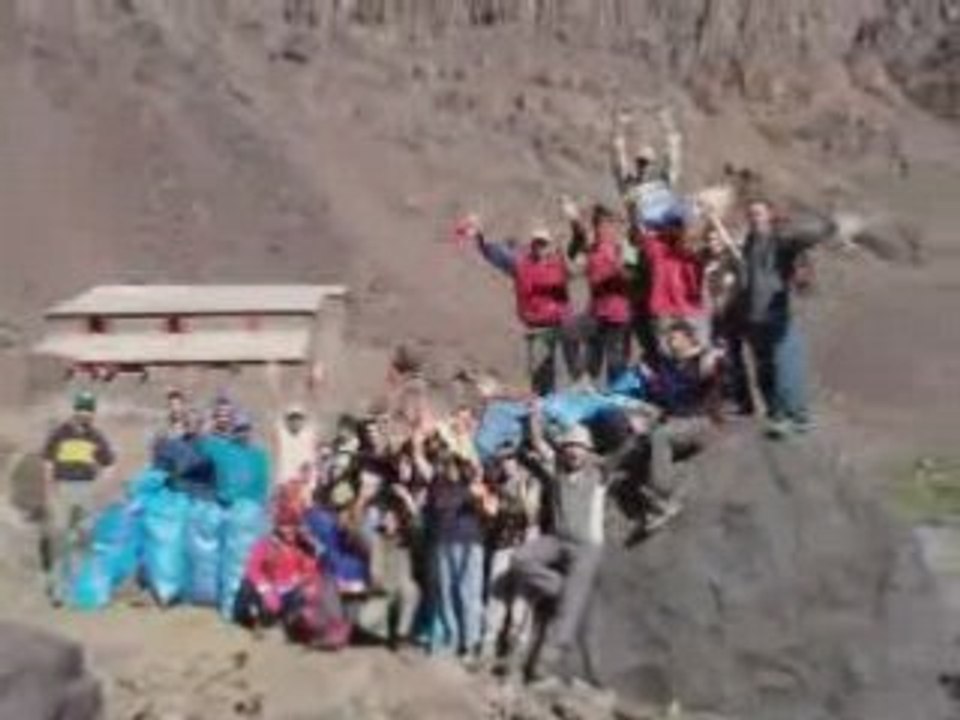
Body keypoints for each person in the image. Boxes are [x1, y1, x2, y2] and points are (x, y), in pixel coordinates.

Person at [510, 412, 609, 682]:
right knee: (520, 559)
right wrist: (535, 418)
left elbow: (626, 455)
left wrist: (638, 436)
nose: (574, 452)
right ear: (563, 450)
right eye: (569, 447)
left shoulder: (599, 474)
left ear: (588, 452)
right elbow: (540, 443)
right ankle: (562, 589)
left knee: (566, 616)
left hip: (587, 547)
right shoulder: (557, 472)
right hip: (557, 541)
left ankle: (544, 665)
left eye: (579, 447)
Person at [739, 199, 834, 435]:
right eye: (751, 214)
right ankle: (777, 414)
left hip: (778, 315)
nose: (754, 218)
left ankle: (798, 416)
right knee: (764, 369)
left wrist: (824, 229)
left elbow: (801, 241)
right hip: (754, 317)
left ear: (770, 215)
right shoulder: (750, 242)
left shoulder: (780, 241)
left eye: (759, 213)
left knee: (786, 367)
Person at [467, 216, 580, 395]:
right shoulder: (521, 265)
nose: (540, 247)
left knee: (568, 371)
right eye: (537, 243)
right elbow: (496, 254)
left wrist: (575, 222)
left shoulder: (559, 263)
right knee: (541, 375)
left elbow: (578, 244)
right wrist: (479, 237)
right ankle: (544, 408)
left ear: (549, 245)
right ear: (532, 245)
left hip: (562, 323)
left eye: (544, 243)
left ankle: (571, 403)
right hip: (538, 327)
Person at [235, 497, 349, 649]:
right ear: (277, 527)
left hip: (293, 592)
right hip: (272, 591)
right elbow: (252, 569)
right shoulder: (265, 544)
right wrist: (266, 588)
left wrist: (306, 577)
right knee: (250, 589)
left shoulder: (303, 545)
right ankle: (260, 620)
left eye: (292, 526)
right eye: (284, 526)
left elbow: (316, 564)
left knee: (319, 592)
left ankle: (317, 626)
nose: (289, 531)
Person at [644, 321, 723, 528]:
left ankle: (662, 493)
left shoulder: (702, 360)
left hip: (701, 421)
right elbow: (666, 397)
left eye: (675, 338)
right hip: (677, 422)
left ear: (689, 338)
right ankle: (665, 502)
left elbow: (716, 371)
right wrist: (650, 380)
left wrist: (714, 358)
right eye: (669, 339)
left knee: (660, 436)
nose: (670, 342)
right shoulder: (669, 366)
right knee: (643, 441)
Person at [40, 391, 116, 606]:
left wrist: (100, 486)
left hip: (86, 489)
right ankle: (58, 590)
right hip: (62, 488)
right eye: (81, 408)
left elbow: (110, 463)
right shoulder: (59, 434)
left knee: (83, 538)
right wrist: (49, 490)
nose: (85, 413)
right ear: (75, 410)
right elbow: (48, 463)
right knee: (60, 537)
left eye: (89, 409)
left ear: (93, 413)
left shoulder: (96, 436)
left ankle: (77, 588)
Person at [424, 448, 492, 660]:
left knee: (469, 592)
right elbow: (439, 504)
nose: (450, 468)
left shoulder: (475, 484)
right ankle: (452, 638)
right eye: (447, 463)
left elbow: (487, 510)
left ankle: (470, 642)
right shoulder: (438, 485)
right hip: (444, 542)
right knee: (446, 592)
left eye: (455, 463)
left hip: (470, 542)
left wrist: (477, 495)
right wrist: (469, 495)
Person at [482, 441, 542, 664]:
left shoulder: (531, 481)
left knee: (521, 598)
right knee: (495, 595)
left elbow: (532, 515)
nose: (506, 463)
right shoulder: (499, 483)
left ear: (518, 459)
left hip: (525, 544)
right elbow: (494, 516)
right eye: (502, 459)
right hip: (502, 543)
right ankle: (489, 643)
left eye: (509, 458)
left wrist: (521, 495)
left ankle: (516, 649)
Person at [566, 202, 633, 385]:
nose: (604, 228)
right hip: (597, 312)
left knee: (615, 361)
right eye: (600, 224)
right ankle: (585, 386)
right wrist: (574, 220)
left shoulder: (625, 246)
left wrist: (617, 269)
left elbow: (631, 274)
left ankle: (617, 397)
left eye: (608, 224)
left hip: (619, 314)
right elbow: (575, 269)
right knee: (572, 334)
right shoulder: (592, 248)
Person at [151, 408, 217, 500]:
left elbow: (208, 469)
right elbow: (163, 466)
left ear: (199, 424)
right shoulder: (178, 442)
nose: (190, 424)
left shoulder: (209, 445)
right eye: (187, 422)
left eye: (194, 422)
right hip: (179, 489)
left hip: (201, 490)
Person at [275, 403, 318, 500]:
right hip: (286, 486)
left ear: (302, 421)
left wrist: (311, 486)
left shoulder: (307, 438)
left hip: (304, 487)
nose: (295, 422)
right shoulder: (284, 436)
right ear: (288, 421)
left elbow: (312, 463)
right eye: (292, 419)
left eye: (298, 419)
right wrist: (280, 485)